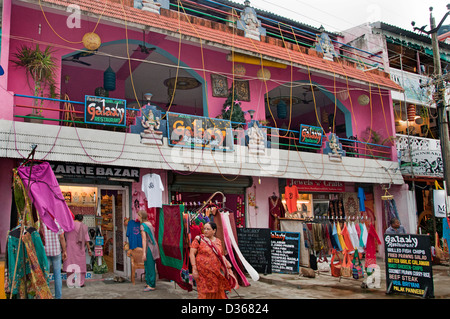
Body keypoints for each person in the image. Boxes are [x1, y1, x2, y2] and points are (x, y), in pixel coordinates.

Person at [189, 222, 235, 299]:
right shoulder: (199, 239)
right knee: (203, 291)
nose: (205, 231)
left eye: (208, 229)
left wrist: (227, 264)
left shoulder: (218, 241)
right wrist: (194, 268)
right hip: (202, 272)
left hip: (215, 272)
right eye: (204, 229)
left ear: (214, 231)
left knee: (216, 290)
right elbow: (192, 254)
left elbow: (221, 255)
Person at [63, 214, 92, 288]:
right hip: (79, 248)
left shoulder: (68, 225)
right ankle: (80, 283)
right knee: (81, 266)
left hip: (69, 248)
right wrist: (89, 249)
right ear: (82, 220)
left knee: (70, 265)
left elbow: (63, 236)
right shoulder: (83, 226)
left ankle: (70, 282)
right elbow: (87, 240)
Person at [41, 221, 67, 299]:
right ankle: (58, 296)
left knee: (46, 275)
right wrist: (64, 251)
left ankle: (46, 296)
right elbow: (62, 237)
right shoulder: (58, 222)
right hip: (56, 251)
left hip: (45, 252)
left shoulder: (42, 222)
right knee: (57, 275)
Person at [138, 210, 160, 292]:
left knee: (149, 266)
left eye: (139, 215)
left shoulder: (143, 225)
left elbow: (144, 240)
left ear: (141, 216)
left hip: (149, 247)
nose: (138, 217)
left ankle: (151, 285)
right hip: (154, 246)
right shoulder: (149, 223)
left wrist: (143, 253)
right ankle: (149, 283)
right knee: (149, 265)